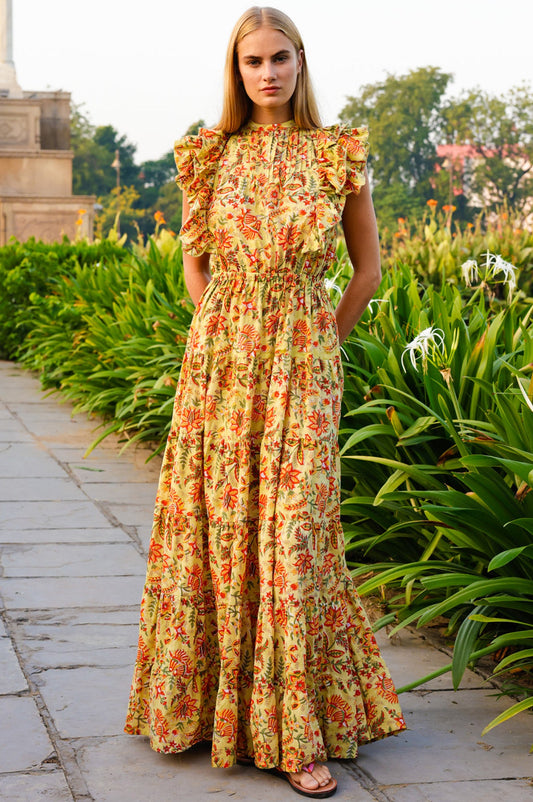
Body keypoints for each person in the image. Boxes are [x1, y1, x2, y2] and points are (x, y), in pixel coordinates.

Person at [125, 6, 405, 798]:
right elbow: (195, 264)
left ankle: (297, 734)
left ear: (299, 61)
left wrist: (320, 345)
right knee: (217, 531)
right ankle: (210, 712)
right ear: (236, 70)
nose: (268, 73)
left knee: (294, 537)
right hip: (221, 365)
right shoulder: (207, 156)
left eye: (279, 58)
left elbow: (366, 271)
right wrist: (221, 333)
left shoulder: (335, 154)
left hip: (303, 364)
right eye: (252, 61)